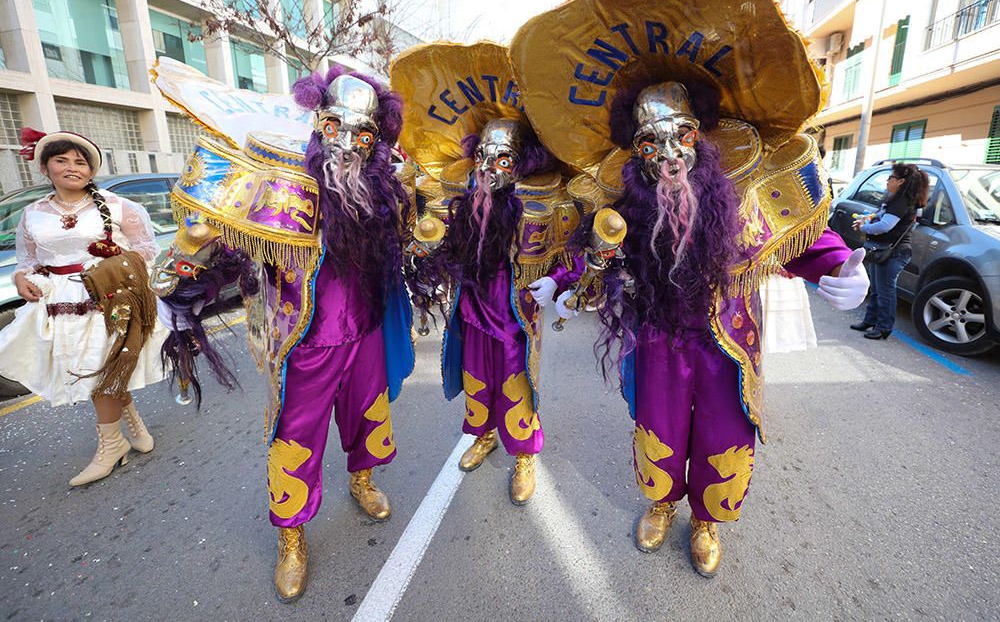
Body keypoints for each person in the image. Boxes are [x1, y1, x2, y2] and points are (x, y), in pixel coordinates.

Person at [508, 0, 870, 577]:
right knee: (660, 423)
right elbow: (600, 250)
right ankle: (661, 503)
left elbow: (796, 231)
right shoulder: (622, 198)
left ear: (700, 133)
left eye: (680, 136)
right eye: (651, 144)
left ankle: (706, 520)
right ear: (636, 150)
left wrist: (840, 266)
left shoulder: (745, 181)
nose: (670, 155)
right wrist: (565, 283)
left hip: (728, 336)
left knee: (724, 431)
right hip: (659, 337)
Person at [153, 67, 415, 603]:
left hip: (364, 329)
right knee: (295, 435)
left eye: (362, 135)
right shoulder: (281, 185)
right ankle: (291, 534)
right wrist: (190, 267)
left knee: (369, 412)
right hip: (303, 340)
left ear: (376, 138)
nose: (347, 144)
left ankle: (362, 481)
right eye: (336, 127)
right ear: (319, 123)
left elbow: (409, 242)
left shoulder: (383, 192)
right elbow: (234, 248)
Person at [392, 42, 582, 505]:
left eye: (502, 162)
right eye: (484, 160)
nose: (490, 171)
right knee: (477, 378)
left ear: (521, 166)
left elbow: (574, 250)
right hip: (472, 309)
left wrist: (559, 280)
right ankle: (482, 435)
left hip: (516, 315)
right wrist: (425, 252)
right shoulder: (464, 202)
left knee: (516, 381)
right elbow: (440, 245)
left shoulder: (545, 203)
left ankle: (523, 455)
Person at [0, 129, 165, 486]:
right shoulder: (32, 214)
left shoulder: (118, 205)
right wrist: (20, 278)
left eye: (80, 162)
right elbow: (25, 259)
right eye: (62, 160)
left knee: (99, 371)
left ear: (91, 171)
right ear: (45, 167)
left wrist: (110, 266)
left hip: (109, 298)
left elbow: (147, 248)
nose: (72, 167)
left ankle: (112, 445)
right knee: (95, 368)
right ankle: (131, 422)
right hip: (59, 302)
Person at [850, 162, 930, 339]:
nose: (887, 181)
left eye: (890, 177)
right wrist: (867, 221)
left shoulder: (902, 201)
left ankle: (883, 328)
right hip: (883, 250)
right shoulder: (896, 198)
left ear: (900, 181)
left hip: (894, 252)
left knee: (885, 291)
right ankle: (870, 321)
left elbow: (885, 226)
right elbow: (880, 218)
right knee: (877, 289)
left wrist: (864, 228)